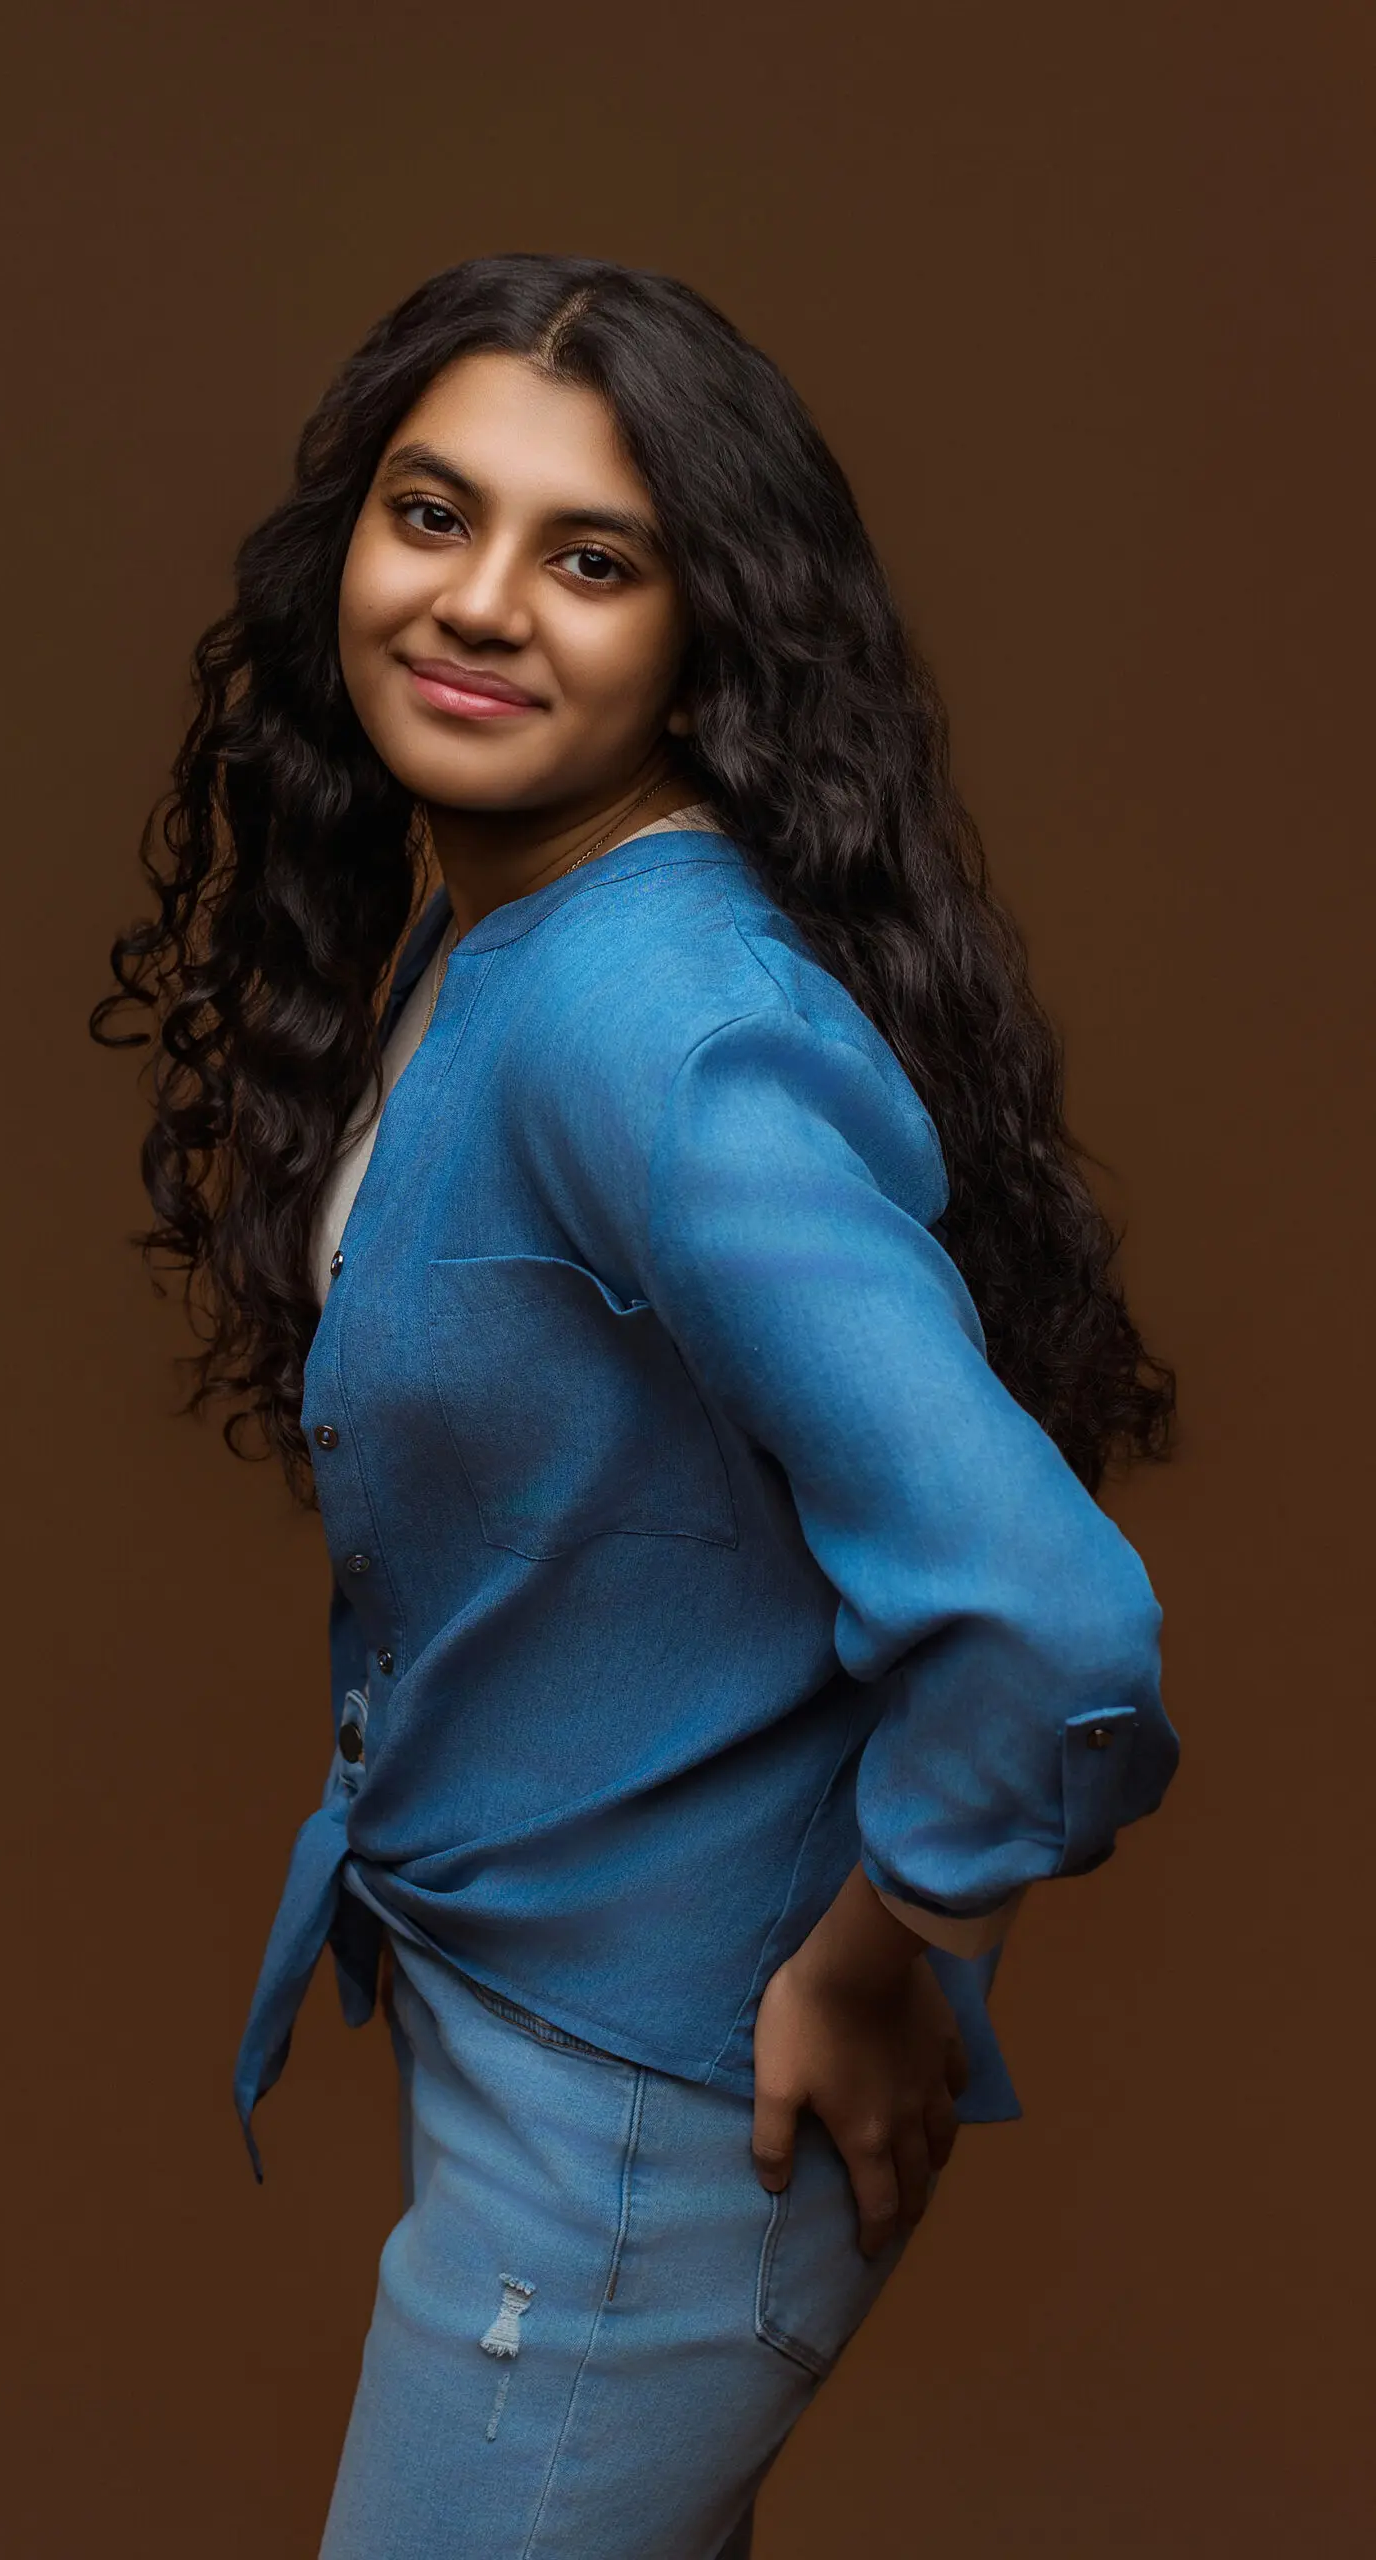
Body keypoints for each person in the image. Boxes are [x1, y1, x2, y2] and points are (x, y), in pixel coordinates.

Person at [95, 253, 1178, 2560]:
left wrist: (905, 1941)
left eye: (591, 558)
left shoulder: (649, 1031)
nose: (479, 605)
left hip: (638, 2119)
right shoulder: (499, 917)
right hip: (546, 2055)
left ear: (711, 633)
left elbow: (1046, 1616)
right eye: (431, 513)